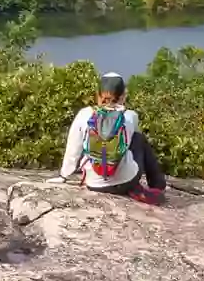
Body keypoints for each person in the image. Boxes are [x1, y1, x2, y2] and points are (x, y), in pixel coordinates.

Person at [59, 71, 167, 204]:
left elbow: (73, 149)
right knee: (139, 138)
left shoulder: (84, 114)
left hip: (94, 184)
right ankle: (157, 186)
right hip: (127, 181)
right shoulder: (130, 116)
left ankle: (109, 178)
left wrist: (64, 176)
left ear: (97, 95)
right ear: (123, 96)